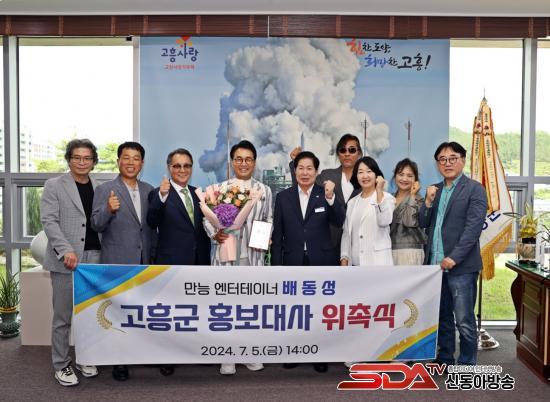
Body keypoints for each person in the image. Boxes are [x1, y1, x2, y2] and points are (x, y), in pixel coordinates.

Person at [271, 151, 345, 373]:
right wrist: (276, 267)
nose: (305, 172)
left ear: (317, 172)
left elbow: (339, 219)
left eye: (309, 168)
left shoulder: (325, 194)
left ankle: (319, 354)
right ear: (294, 171)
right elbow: (278, 234)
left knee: (319, 309)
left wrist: (331, 198)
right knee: (293, 310)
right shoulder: (283, 197)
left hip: (320, 261)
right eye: (301, 168)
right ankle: (293, 351)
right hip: (292, 260)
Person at [203, 139, 272, 375]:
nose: (244, 163)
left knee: (250, 309)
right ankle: (227, 357)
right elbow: (206, 219)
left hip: (252, 257)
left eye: (248, 159)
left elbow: (268, 218)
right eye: (239, 159)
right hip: (226, 256)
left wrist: (266, 237)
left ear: (254, 162)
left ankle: (250, 353)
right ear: (232, 162)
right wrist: (215, 233)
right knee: (225, 307)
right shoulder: (220, 189)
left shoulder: (264, 190)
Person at [90, 141, 156, 381]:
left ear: (142, 163)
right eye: (126, 158)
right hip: (118, 261)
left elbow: (150, 227)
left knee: (140, 311)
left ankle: (139, 353)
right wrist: (108, 209)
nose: (131, 162)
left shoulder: (149, 190)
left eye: (136, 158)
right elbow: (96, 224)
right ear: (118, 161)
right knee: (118, 313)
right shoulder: (105, 189)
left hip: (145, 261)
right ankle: (119, 361)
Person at [418, 141, 487, 366]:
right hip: (435, 266)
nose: (447, 163)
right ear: (437, 164)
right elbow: (422, 222)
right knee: (442, 317)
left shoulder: (475, 189)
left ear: (462, 160)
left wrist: (454, 257)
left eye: (452, 158)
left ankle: (466, 365)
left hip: (461, 267)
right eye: (442, 159)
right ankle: (445, 358)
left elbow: (473, 229)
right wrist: (428, 202)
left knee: (464, 320)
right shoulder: (435, 190)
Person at [40, 139, 101, 386]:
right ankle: (61, 364)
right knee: (63, 317)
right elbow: (49, 221)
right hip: (67, 260)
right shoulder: (54, 185)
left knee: (90, 314)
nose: (82, 162)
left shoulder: (100, 187)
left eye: (87, 158)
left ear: (94, 162)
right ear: (69, 159)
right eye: (77, 157)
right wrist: (65, 249)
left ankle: (86, 357)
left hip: (95, 258)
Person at [289, 134, 362, 256]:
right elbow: (304, 188)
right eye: (343, 150)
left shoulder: (366, 180)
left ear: (359, 153)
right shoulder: (326, 175)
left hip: (359, 244)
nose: (347, 154)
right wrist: (295, 163)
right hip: (329, 245)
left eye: (352, 150)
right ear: (338, 154)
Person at [147, 148, 211, 266]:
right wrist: (162, 196)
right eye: (177, 166)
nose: (182, 170)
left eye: (187, 166)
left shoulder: (199, 193)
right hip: (172, 263)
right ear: (169, 168)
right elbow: (152, 222)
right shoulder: (158, 194)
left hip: (200, 261)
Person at [340, 157, 395, 267]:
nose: (365, 176)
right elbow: (346, 233)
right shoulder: (352, 202)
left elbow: (384, 221)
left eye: (369, 171)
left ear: (377, 175)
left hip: (378, 264)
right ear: (356, 176)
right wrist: (344, 258)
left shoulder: (387, 198)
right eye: (360, 172)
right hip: (355, 266)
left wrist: (379, 191)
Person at [390, 158, 426, 265]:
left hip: (410, 252)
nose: (404, 179)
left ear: (416, 180)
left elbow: (409, 221)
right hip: (388, 251)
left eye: (410, 176)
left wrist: (412, 195)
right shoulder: (388, 198)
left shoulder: (419, 200)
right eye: (401, 174)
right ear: (395, 176)